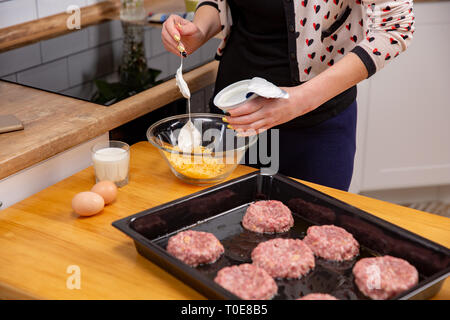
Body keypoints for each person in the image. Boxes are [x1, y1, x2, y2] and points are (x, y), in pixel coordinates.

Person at [161, 0, 415, 191]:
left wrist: (300, 101)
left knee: (315, 240)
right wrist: (201, 28)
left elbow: (395, 27)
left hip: (316, 127)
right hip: (233, 120)